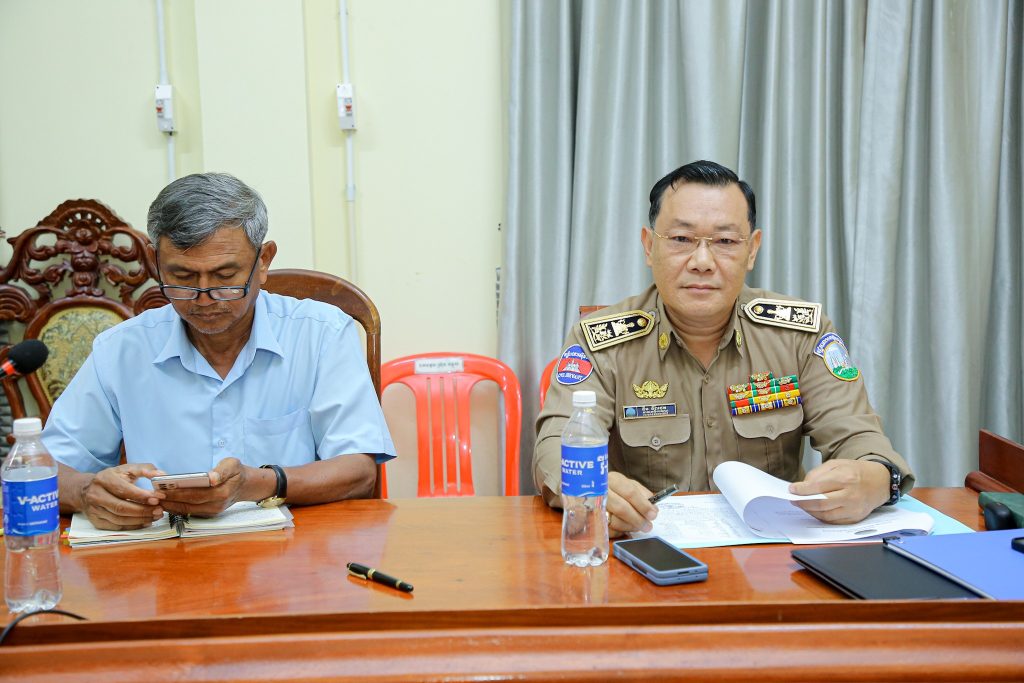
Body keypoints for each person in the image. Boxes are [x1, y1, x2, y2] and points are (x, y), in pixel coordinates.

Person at [534, 160, 913, 536]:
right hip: (646, 547)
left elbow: (858, 437)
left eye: (726, 242)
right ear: (649, 246)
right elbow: (554, 445)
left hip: (771, 554)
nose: (702, 262)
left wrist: (876, 479)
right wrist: (587, 486)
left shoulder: (799, 334)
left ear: (752, 250)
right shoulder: (600, 341)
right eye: (681, 240)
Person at [45, 172, 395, 530]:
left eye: (225, 276)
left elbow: (359, 470)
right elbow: (44, 469)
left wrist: (260, 483)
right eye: (183, 277)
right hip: (163, 552)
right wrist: (87, 491)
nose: (204, 297)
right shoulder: (121, 350)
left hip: (292, 550)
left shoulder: (320, 334)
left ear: (263, 261)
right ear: (155, 262)